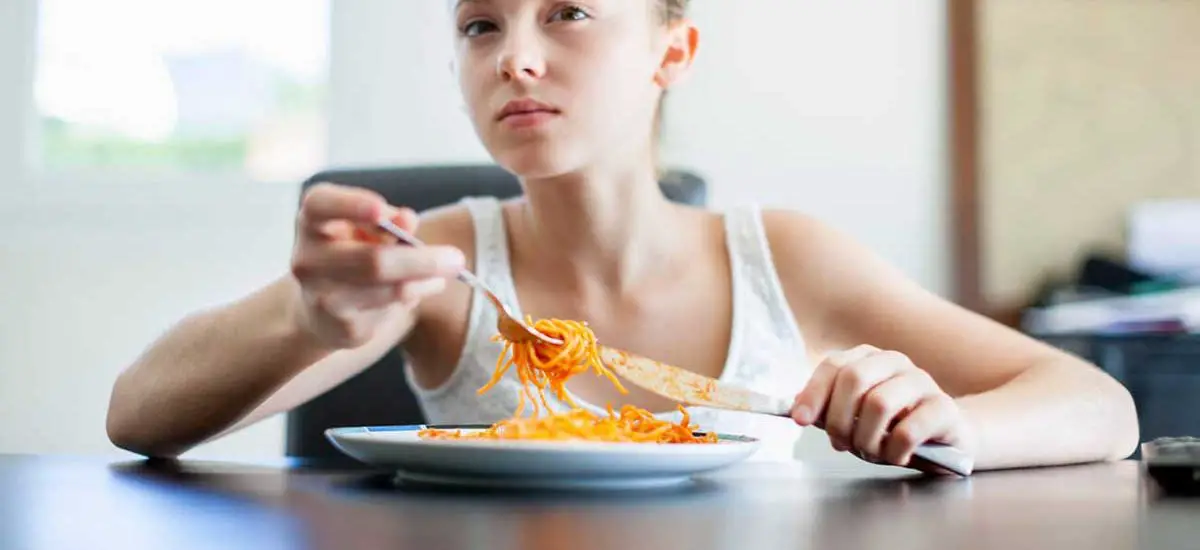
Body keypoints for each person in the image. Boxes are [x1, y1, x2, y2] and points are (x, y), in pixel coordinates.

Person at [105, 0, 1138, 470]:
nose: (514, 57)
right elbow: (137, 417)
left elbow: (1100, 404)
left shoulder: (784, 257)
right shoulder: (439, 264)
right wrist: (307, 318)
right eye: (480, 25)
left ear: (671, 51)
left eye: (567, 13)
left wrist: (953, 429)